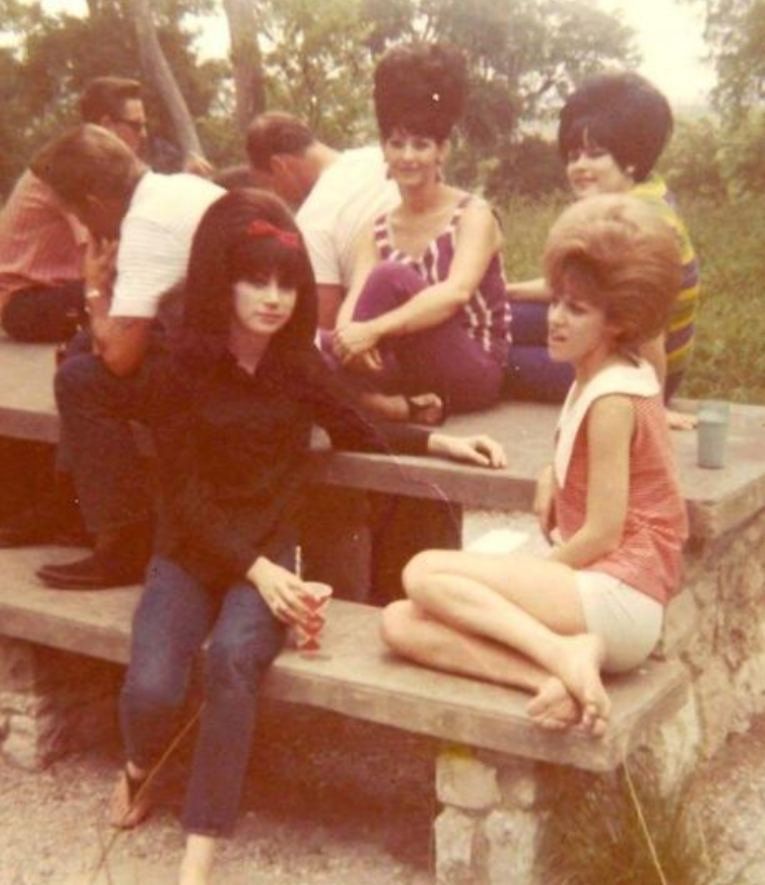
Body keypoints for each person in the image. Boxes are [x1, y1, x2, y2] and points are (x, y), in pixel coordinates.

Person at [109, 188, 505, 885]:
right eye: (254, 279)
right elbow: (184, 499)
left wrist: (442, 440)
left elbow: (358, 424)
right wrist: (256, 569)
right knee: (154, 688)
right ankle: (140, 764)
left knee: (235, 658)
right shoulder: (177, 367)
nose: (273, 298)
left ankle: (198, 853)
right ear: (220, 281)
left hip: (270, 552)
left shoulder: (295, 364)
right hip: (193, 552)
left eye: (287, 283)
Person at [381, 194, 689, 737]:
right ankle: (551, 672)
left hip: (621, 595)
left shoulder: (614, 396)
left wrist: (524, 576)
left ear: (619, 321)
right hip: (597, 595)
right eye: (557, 301)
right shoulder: (596, 373)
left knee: (424, 572)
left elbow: (603, 531)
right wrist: (552, 475)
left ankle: (561, 650)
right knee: (399, 623)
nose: (555, 319)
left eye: (577, 309)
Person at [0, 126, 224, 589]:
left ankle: (125, 539)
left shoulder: (145, 227)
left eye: (79, 214)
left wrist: (93, 287)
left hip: (227, 377)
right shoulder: (180, 187)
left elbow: (121, 361)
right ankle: (72, 502)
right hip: (226, 347)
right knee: (84, 347)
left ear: (95, 203)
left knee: (80, 379)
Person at [328, 42, 511, 425]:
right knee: (316, 341)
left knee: (390, 277)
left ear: (441, 150)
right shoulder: (376, 228)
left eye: (421, 144)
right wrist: (348, 335)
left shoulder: (473, 215)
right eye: (397, 144)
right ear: (384, 150)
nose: (407, 156)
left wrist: (371, 330)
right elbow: (355, 301)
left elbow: (454, 293)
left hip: (472, 369)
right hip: (409, 369)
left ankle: (353, 394)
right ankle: (391, 404)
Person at [505, 71, 700, 429]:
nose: (580, 167)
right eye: (574, 155)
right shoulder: (644, 192)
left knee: (497, 356)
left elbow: (649, 329)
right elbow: (592, 285)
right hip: (613, 338)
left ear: (630, 159)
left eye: (596, 155)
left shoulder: (638, 222)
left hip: (635, 369)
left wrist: (651, 405)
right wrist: (510, 290)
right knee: (499, 315)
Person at [0, 77, 149, 343]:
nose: (143, 134)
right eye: (136, 125)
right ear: (107, 126)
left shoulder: (94, 166)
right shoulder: (70, 170)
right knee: (142, 286)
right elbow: (106, 252)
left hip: (59, 291)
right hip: (26, 303)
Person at [245, 111, 400, 329]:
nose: (277, 196)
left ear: (280, 166)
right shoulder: (382, 157)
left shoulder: (312, 220)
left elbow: (325, 320)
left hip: (383, 331)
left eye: (271, 185)